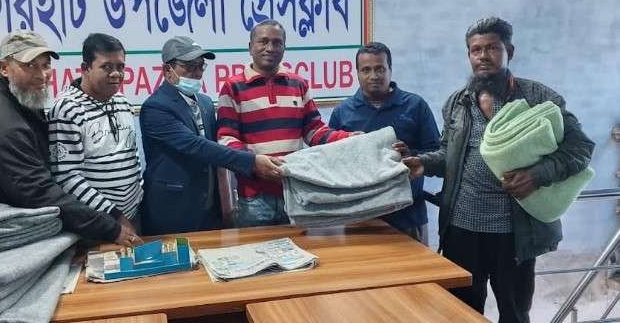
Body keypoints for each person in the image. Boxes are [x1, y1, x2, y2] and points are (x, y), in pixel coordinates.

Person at [401, 17, 595, 322]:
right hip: (462, 231)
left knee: (515, 314)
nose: (483, 56)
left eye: (492, 48)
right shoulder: (457, 103)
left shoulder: (538, 99)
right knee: (461, 314)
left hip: (515, 234)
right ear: (469, 55)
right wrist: (423, 162)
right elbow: (449, 155)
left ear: (509, 51)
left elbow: (581, 147)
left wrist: (537, 175)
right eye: (475, 50)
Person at [0, 31, 138, 246]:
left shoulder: (22, 95)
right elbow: (38, 190)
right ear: (4, 68)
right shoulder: (6, 122)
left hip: (22, 223)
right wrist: (110, 227)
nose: (41, 75)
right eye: (30, 66)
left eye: (45, 65)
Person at [217, 19, 355, 227]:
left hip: (294, 193)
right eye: (263, 41)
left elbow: (314, 131)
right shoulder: (232, 87)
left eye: (277, 42)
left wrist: (347, 139)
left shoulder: (298, 84)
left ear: (284, 48)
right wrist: (254, 163)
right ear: (250, 47)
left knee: (300, 248)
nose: (270, 48)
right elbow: (227, 138)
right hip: (254, 198)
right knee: (256, 248)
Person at [140, 36, 284, 235]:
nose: (197, 73)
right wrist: (252, 162)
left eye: (200, 66)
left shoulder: (205, 103)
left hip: (209, 208)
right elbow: (196, 146)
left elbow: (219, 147)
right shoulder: (155, 108)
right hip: (172, 210)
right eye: (189, 67)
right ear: (167, 70)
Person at [329, 42, 440, 244]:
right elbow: (332, 164)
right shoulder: (342, 112)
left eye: (380, 68)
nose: (374, 76)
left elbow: (437, 154)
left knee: (416, 266)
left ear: (390, 69)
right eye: (366, 70)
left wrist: (411, 155)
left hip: (408, 217)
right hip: (359, 219)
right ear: (357, 73)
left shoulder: (415, 106)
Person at [48, 33, 143, 240]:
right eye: (107, 67)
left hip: (133, 214)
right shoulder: (67, 109)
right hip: (97, 223)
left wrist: (138, 197)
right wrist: (114, 216)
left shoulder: (122, 102)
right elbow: (67, 178)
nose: (116, 74)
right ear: (85, 68)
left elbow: (132, 155)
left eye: (120, 67)